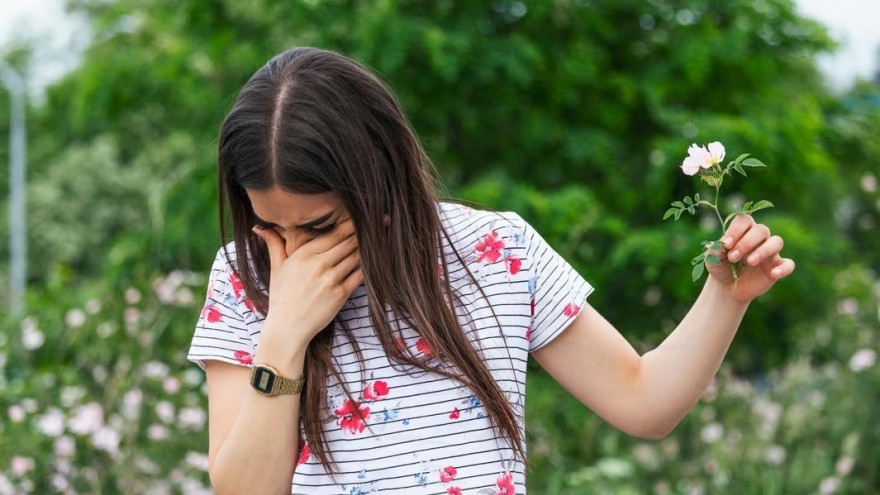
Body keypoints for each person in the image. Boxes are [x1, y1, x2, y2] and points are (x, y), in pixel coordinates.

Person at [186, 47, 795, 495]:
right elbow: (246, 489)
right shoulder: (244, 277)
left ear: (377, 177)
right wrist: (284, 336)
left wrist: (726, 297)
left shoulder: (495, 248)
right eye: (272, 226)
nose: (293, 252)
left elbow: (643, 402)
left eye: (319, 227)